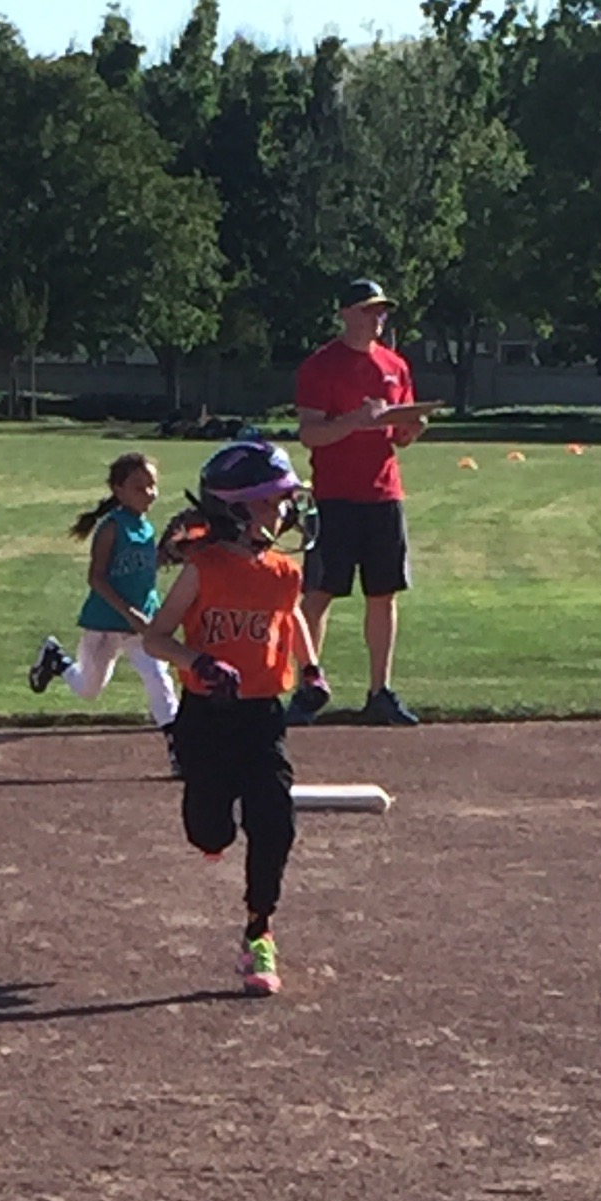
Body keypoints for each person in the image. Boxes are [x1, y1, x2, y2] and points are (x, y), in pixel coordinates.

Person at [139, 437, 318, 996]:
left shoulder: (284, 572)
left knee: (275, 820)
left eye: (284, 499)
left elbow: (291, 619)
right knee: (209, 827)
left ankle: (259, 930)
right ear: (235, 508)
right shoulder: (204, 568)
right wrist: (198, 662)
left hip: (262, 715)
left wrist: (311, 669)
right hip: (206, 716)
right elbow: (155, 638)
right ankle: (211, 832)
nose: (284, 509)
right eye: (271, 500)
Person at [291, 275, 431, 726]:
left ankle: (380, 691)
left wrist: (410, 429)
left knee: (383, 594)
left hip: (383, 493)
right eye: (370, 310)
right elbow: (310, 433)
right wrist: (353, 420)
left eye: (382, 311)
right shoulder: (321, 366)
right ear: (347, 313)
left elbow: (399, 435)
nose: (378, 318)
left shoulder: (395, 365)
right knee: (319, 593)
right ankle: (308, 687)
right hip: (334, 495)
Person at [27, 451, 179, 761]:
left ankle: (179, 748)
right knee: (89, 689)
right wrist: (130, 614)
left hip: (143, 625)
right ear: (118, 490)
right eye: (139, 487)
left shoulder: (146, 527)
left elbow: (143, 567)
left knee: (158, 679)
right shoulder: (111, 528)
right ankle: (56, 659)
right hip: (106, 623)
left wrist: (172, 553)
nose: (149, 493)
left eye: (152, 485)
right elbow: (96, 578)